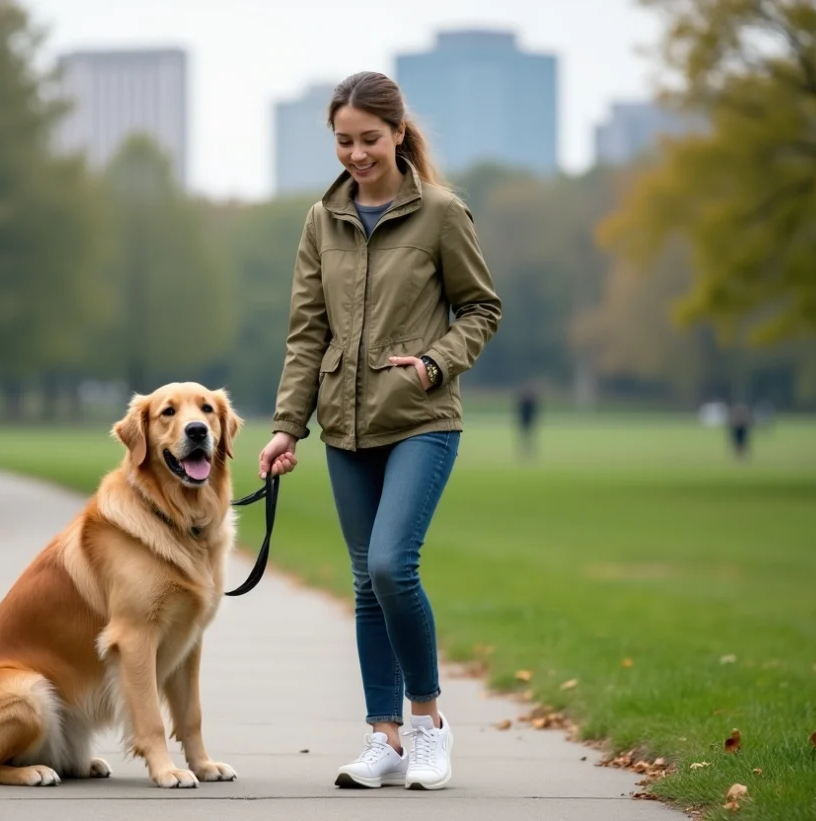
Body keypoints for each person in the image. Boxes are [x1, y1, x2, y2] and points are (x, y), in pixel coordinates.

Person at [258, 71, 501, 792]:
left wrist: (434, 363)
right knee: (366, 582)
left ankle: (428, 723)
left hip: (422, 419)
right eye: (343, 141)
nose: (357, 154)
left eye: (369, 139)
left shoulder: (442, 214)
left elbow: (482, 310)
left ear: (398, 133)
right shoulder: (321, 221)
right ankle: (383, 736)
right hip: (345, 427)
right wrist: (285, 429)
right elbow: (307, 333)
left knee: (394, 564)